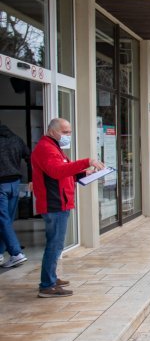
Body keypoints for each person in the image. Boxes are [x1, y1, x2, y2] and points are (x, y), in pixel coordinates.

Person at [32, 118, 104, 297]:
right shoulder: (46, 149)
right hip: (54, 203)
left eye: (69, 132)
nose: (68, 136)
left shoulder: (54, 147)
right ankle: (47, 285)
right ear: (52, 131)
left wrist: (83, 173)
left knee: (56, 244)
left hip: (59, 201)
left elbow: (63, 171)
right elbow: (57, 171)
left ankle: (51, 278)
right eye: (65, 132)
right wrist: (86, 161)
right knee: (54, 245)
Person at [0, 122, 30, 268]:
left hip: (1, 184)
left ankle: (16, 253)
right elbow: (29, 156)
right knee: (6, 220)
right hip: (14, 184)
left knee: (3, 219)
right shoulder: (16, 139)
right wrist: (31, 177)